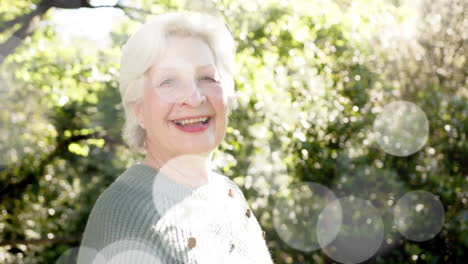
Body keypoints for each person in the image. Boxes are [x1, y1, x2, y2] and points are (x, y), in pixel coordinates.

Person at [77, 12, 274, 263]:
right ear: (139, 110)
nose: (194, 98)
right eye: (169, 81)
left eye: (206, 77)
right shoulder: (125, 212)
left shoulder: (228, 194)